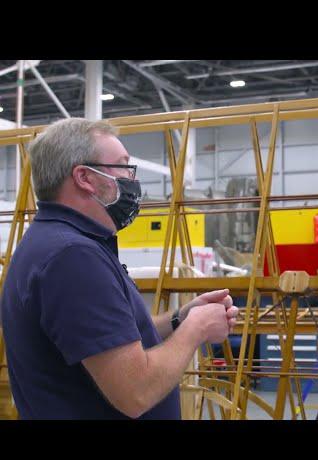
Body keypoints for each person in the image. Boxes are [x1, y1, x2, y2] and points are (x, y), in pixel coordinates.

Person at [0, 118, 238, 419]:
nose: (131, 179)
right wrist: (197, 328)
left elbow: (105, 337)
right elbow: (136, 392)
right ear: (85, 177)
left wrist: (179, 319)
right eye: (123, 167)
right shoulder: (73, 258)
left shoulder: (54, 243)